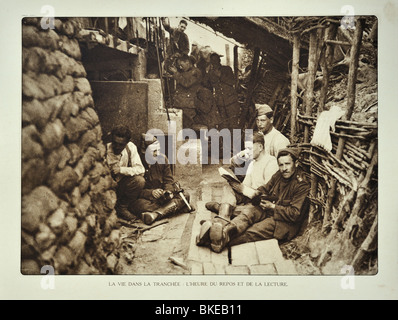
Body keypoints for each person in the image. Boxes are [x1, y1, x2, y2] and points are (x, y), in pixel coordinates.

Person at [197, 147, 310, 253]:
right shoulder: (279, 174)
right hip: (269, 210)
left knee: (252, 231)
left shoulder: (301, 185)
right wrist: (255, 193)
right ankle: (225, 230)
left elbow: (295, 214)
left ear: (296, 163)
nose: (284, 168)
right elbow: (265, 188)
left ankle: (213, 238)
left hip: (283, 223)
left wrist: (273, 207)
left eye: (287, 164)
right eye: (281, 165)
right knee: (248, 212)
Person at [205, 131, 279, 212]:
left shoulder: (271, 163)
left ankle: (222, 209)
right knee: (227, 188)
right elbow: (246, 184)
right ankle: (226, 209)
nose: (246, 152)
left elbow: (267, 194)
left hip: (260, 200)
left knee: (243, 210)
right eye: (246, 148)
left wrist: (243, 189)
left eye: (249, 148)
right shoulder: (253, 163)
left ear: (260, 147)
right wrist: (235, 184)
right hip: (249, 196)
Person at [129, 134, 193, 225]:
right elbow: (135, 191)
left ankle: (155, 215)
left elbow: (168, 180)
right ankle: (175, 208)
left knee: (185, 195)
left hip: (162, 198)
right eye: (154, 151)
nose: (158, 153)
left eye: (159, 150)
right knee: (138, 205)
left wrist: (168, 192)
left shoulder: (163, 159)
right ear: (144, 151)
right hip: (147, 199)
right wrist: (151, 193)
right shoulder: (136, 163)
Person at [106, 125, 146, 221]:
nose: (117, 147)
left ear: (126, 143)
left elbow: (141, 170)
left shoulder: (130, 148)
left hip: (122, 185)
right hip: (107, 186)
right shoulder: (105, 149)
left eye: (121, 144)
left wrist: (122, 170)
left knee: (140, 181)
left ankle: (122, 207)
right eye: (115, 143)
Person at [203, 52, 241, 132]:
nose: (214, 62)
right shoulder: (210, 73)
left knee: (234, 124)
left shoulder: (227, 69)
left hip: (231, 101)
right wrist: (207, 73)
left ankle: (236, 143)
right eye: (212, 60)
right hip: (220, 103)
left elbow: (232, 82)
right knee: (223, 125)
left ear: (219, 60)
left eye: (216, 60)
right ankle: (225, 143)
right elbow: (206, 85)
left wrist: (220, 75)